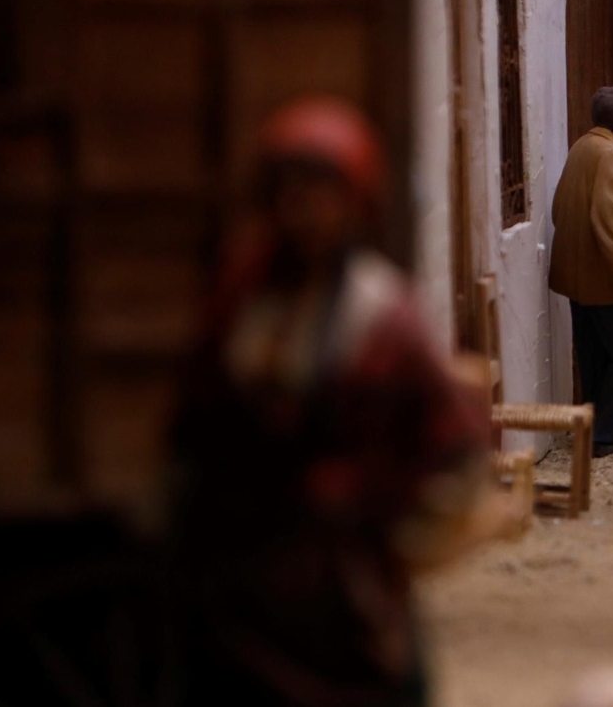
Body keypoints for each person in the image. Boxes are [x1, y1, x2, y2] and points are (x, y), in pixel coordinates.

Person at [171, 97, 494, 707]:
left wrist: (397, 534)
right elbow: (200, 406)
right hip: (240, 571)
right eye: (289, 191)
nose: (303, 209)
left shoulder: (381, 313)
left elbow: (454, 443)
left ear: (353, 201)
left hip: (340, 584)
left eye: (320, 192)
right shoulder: (243, 295)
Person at [550, 86, 613, 457]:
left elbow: (560, 206)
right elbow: (607, 215)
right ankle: (602, 436)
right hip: (605, 277)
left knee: (594, 356)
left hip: (578, 277)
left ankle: (589, 431)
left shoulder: (582, 146)